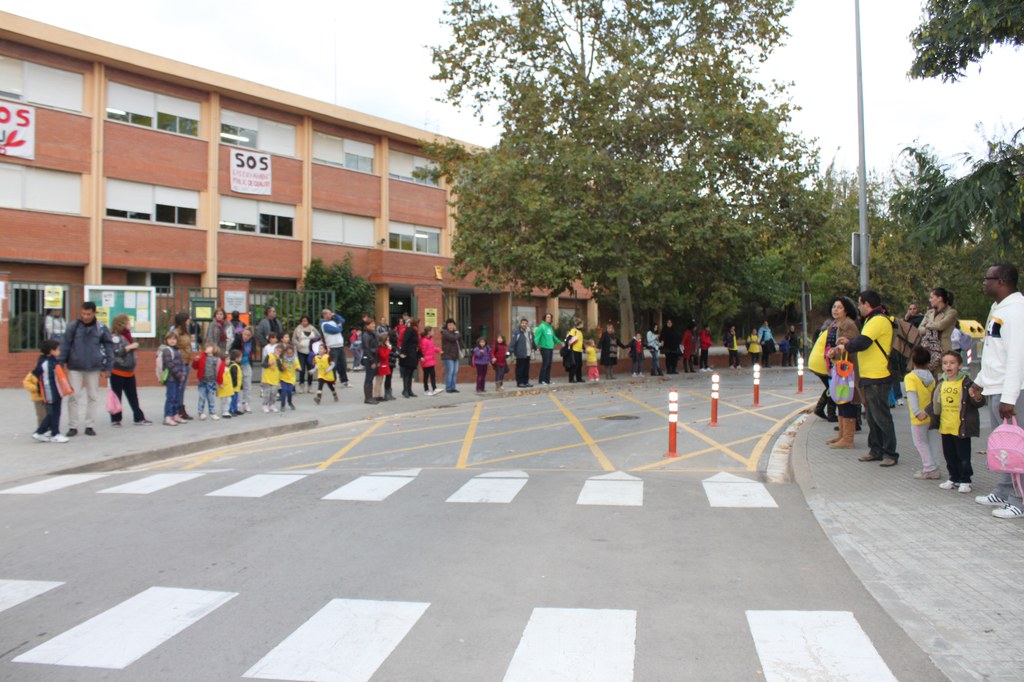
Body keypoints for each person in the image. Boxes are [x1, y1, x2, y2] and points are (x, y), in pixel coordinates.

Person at [972, 264, 1024, 519]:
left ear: (1001, 281)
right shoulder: (998, 308)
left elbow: (1017, 357)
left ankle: (1019, 500)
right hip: (996, 388)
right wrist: (979, 381)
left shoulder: (1017, 311)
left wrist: (1009, 398)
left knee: (1017, 447)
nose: (984, 282)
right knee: (1004, 446)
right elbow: (993, 352)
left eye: (987, 278)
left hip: (1011, 391)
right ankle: (1005, 490)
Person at [834, 290, 899, 467]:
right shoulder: (872, 319)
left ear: (867, 304)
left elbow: (863, 342)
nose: (858, 307)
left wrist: (847, 345)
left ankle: (890, 453)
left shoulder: (878, 320)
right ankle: (876, 450)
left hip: (878, 375)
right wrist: (849, 343)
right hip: (869, 375)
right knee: (871, 416)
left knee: (881, 416)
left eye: (859, 303)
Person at [931, 350, 985, 493]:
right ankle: (953, 478)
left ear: (960, 366)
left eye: (952, 363)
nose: (948, 366)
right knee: (949, 455)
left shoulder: (967, 383)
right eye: (945, 363)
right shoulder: (941, 382)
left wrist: (977, 396)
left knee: (963, 456)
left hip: (961, 427)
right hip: (945, 426)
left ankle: (965, 480)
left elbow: (978, 402)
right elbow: (935, 402)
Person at [58, 301, 114, 437]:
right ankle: (73, 426)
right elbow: (65, 345)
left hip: (94, 367)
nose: (85, 316)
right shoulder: (73, 326)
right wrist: (61, 363)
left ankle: (90, 425)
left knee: (93, 396)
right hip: (75, 366)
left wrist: (108, 367)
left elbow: (109, 347)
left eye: (88, 314)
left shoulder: (101, 328)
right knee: (73, 396)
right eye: (83, 313)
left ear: (94, 313)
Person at [904, 346, 940, 480]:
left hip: (919, 417)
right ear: (928, 362)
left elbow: (912, 395)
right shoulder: (931, 377)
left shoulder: (910, 377)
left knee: (920, 442)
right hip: (931, 414)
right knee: (932, 442)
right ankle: (935, 466)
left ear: (913, 360)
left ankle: (929, 468)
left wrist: (917, 412)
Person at [109, 313, 150, 427]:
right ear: (122, 324)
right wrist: (130, 347)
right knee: (117, 396)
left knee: (133, 395)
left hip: (129, 371)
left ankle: (139, 418)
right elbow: (116, 352)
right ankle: (116, 419)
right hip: (118, 371)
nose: (130, 324)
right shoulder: (115, 337)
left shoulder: (127, 335)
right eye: (128, 322)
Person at [31, 339, 70, 443]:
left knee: (55, 412)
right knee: (53, 413)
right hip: (51, 391)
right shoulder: (46, 363)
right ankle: (47, 432)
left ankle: (49, 431)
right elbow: (50, 379)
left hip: (56, 390)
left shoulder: (51, 360)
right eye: (58, 349)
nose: (59, 351)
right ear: (51, 351)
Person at [918, 287, 959, 373]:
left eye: (932, 297)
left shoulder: (951, 312)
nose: (930, 300)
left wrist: (928, 326)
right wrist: (930, 328)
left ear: (940, 298)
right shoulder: (929, 313)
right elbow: (920, 329)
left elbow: (941, 325)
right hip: (927, 351)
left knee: (943, 376)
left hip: (943, 350)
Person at [160, 331, 186, 426]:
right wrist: (179, 374)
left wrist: (183, 373)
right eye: (170, 339)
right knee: (171, 397)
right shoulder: (167, 351)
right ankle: (168, 416)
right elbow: (169, 365)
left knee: (176, 397)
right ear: (166, 340)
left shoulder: (177, 350)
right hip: (171, 378)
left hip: (177, 378)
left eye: (174, 339)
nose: (172, 341)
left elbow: (182, 364)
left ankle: (175, 415)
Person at [172, 311, 195, 421]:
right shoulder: (176, 333)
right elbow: (173, 346)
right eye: (187, 319)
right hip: (180, 363)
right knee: (179, 388)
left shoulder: (185, 332)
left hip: (186, 361)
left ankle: (180, 408)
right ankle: (177, 410)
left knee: (182, 388)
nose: (189, 321)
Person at [193, 344, 223, 420]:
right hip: (202, 381)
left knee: (211, 398)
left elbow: (220, 371)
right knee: (202, 397)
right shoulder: (202, 357)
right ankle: (201, 412)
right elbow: (195, 367)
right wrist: (196, 361)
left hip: (211, 381)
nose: (206, 348)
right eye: (206, 347)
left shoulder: (216, 359)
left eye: (209, 347)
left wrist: (220, 382)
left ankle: (212, 413)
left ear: (214, 349)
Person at [320, 308, 349, 389]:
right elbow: (335, 330)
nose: (331, 315)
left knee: (342, 364)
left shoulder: (333, 321)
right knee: (333, 365)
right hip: (332, 347)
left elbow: (342, 320)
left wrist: (335, 315)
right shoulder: (324, 324)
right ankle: (332, 381)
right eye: (329, 314)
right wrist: (340, 327)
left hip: (340, 346)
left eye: (331, 313)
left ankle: (344, 381)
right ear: (324, 315)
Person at [294, 315, 321, 393]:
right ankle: (301, 385)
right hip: (301, 351)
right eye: (303, 321)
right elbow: (294, 339)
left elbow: (319, 336)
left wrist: (314, 343)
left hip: (310, 352)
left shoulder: (312, 328)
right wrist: (298, 344)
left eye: (306, 321)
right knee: (302, 369)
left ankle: (310, 385)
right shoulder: (298, 329)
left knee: (310, 368)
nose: (304, 322)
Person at [534, 312, 560, 385]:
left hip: (550, 347)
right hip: (544, 348)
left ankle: (547, 380)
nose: (549, 318)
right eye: (547, 317)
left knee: (549, 364)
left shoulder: (550, 327)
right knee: (545, 363)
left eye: (550, 317)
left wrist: (561, 343)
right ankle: (541, 380)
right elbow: (537, 336)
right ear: (544, 318)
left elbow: (554, 337)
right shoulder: (541, 326)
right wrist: (534, 345)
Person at [398, 318, 420, 398]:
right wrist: (403, 352)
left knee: (410, 373)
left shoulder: (415, 330)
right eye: (419, 323)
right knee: (407, 373)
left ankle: (409, 390)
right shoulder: (410, 330)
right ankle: (405, 390)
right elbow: (405, 341)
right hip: (408, 353)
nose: (419, 324)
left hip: (413, 353)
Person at [219, 349, 243, 418]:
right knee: (231, 399)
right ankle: (230, 410)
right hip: (233, 387)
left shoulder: (233, 365)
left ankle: (235, 409)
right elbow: (234, 376)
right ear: (236, 358)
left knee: (235, 399)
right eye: (227, 359)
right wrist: (234, 384)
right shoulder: (233, 366)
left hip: (235, 387)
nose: (229, 361)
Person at [510, 318, 534, 388]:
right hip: (520, 353)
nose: (524, 324)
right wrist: (510, 351)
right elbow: (513, 342)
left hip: (528, 353)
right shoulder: (517, 332)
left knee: (526, 369)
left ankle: (526, 382)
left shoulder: (529, 332)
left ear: (527, 324)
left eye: (526, 323)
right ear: (520, 324)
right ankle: (520, 382)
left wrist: (535, 347)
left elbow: (532, 341)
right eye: (523, 323)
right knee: (520, 369)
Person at [361, 318, 379, 405]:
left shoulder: (372, 334)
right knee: (369, 378)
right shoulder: (366, 335)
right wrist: (372, 361)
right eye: (371, 324)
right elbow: (367, 349)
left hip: (372, 358)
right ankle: (368, 398)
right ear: (367, 325)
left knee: (370, 378)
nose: (373, 325)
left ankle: (370, 397)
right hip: (369, 359)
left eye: (374, 323)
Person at [440, 318, 461, 393]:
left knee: (455, 372)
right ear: (447, 325)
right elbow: (453, 338)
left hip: (455, 355)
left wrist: (456, 333)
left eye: (452, 325)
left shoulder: (455, 332)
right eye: (449, 325)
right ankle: (448, 388)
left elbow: (459, 339)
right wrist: (457, 333)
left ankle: (453, 387)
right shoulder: (445, 332)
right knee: (450, 372)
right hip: (448, 355)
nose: (451, 326)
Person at [261, 343, 283, 413]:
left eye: (279, 351)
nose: (278, 352)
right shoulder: (269, 355)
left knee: (273, 393)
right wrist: (269, 364)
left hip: (275, 379)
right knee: (267, 393)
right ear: (274, 349)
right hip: (267, 378)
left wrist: (278, 359)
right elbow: (263, 364)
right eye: (277, 350)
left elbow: (281, 368)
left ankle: (272, 405)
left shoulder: (279, 359)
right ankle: (265, 405)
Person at [279, 344, 301, 411]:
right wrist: (283, 368)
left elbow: (298, 367)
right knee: (284, 391)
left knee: (289, 391)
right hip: (283, 378)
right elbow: (279, 368)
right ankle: (282, 405)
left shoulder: (295, 359)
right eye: (288, 353)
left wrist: (298, 369)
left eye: (291, 353)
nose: (289, 354)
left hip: (291, 378)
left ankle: (289, 402)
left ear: (293, 353)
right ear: (285, 352)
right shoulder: (282, 359)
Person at [421, 326, 441, 395]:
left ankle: (434, 388)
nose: (433, 332)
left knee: (433, 375)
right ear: (428, 332)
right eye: (432, 331)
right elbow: (422, 350)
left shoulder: (431, 339)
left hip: (431, 361)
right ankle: (426, 390)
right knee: (426, 376)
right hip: (426, 361)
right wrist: (422, 358)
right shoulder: (424, 340)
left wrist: (438, 350)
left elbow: (432, 348)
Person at [565, 318, 584, 384]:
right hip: (574, 350)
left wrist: (583, 348)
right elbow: (568, 338)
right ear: (580, 324)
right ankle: (571, 378)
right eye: (582, 324)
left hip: (579, 350)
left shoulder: (580, 332)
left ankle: (579, 378)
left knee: (579, 365)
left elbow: (581, 342)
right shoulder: (574, 330)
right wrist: (567, 342)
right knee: (574, 365)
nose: (583, 325)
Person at [375, 331, 392, 402]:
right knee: (378, 381)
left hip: (383, 365)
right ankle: (377, 395)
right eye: (387, 340)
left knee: (380, 381)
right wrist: (389, 349)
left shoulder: (383, 347)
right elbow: (383, 356)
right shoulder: (381, 347)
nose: (388, 341)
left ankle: (379, 395)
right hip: (381, 365)